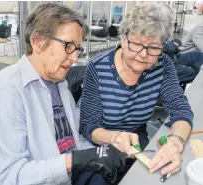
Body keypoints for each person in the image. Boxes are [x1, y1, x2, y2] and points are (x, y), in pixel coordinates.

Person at [0, 3, 126, 185]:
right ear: (38, 41)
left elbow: (73, 141)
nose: (75, 58)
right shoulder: (7, 90)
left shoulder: (60, 83)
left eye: (77, 49)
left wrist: (101, 152)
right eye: (68, 46)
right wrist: (74, 161)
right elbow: (12, 176)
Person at [80, 2, 193, 182]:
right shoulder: (97, 68)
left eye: (154, 47)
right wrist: (114, 137)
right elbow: (88, 125)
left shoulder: (163, 66)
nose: (143, 54)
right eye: (137, 44)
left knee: (152, 175)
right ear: (123, 39)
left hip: (136, 136)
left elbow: (180, 109)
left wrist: (176, 141)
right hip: (101, 140)